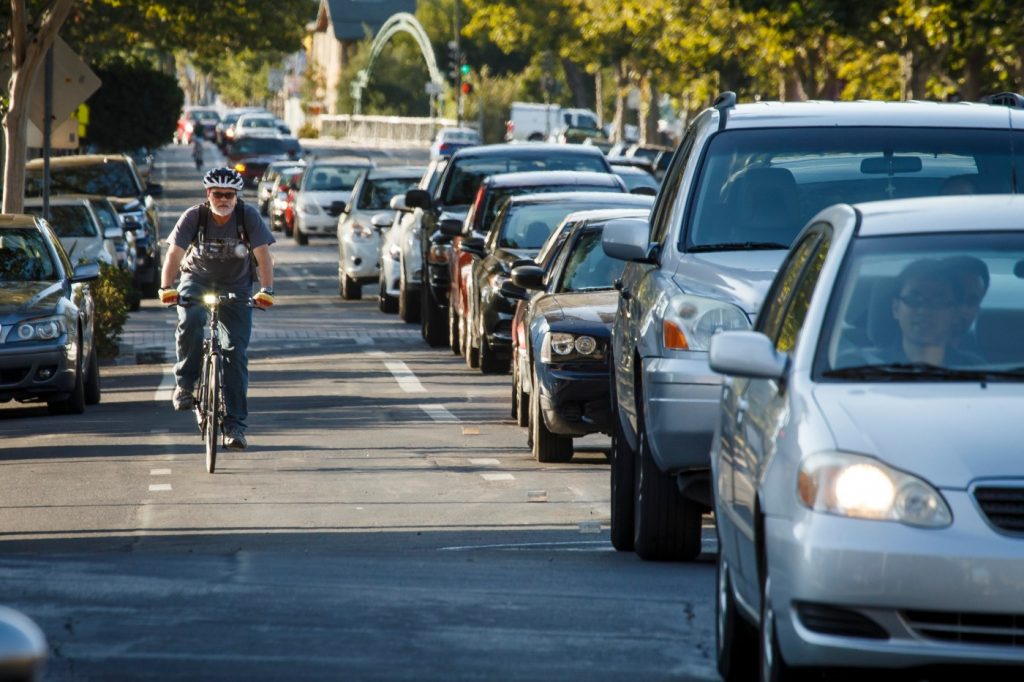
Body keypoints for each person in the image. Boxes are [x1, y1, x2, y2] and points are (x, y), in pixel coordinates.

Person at [158, 168, 276, 450]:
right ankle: (185, 384)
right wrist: (166, 287)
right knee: (191, 318)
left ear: (237, 197)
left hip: (237, 286)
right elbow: (174, 254)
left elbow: (263, 256)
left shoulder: (247, 217)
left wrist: (267, 291)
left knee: (235, 352)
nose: (223, 199)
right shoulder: (193, 217)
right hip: (196, 280)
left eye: (229, 195)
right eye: (217, 194)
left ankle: (235, 426)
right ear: (207, 194)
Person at [888, 258, 982, 366]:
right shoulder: (868, 365)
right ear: (895, 308)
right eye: (914, 300)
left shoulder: (975, 369)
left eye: (938, 302)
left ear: (955, 313)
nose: (924, 311)